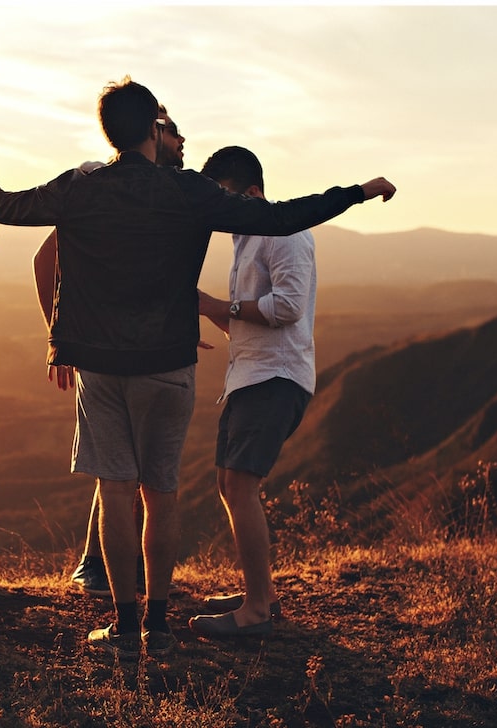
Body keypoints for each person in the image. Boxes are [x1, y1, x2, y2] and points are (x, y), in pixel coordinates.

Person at [0, 76, 395, 660]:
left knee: (116, 494)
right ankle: (159, 625)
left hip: (102, 365)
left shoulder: (82, 187)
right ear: (155, 130)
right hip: (169, 363)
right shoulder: (185, 191)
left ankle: (126, 628)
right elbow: (282, 217)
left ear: (109, 131)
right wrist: (356, 191)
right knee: (162, 495)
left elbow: (4, 206)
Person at [33, 105, 187, 599]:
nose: (183, 142)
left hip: (141, 347)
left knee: (126, 470)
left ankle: (114, 577)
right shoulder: (99, 185)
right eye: (173, 131)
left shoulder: (162, 193)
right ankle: (99, 569)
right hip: (105, 350)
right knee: (120, 471)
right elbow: (45, 258)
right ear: (151, 133)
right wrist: (60, 338)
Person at [188, 146, 319, 638]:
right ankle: (257, 591)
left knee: (240, 485)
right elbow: (244, 320)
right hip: (249, 375)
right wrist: (205, 308)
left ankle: (258, 610)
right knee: (229, 484)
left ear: (253, 192)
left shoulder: (282, 232)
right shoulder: (245, 238)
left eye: (223, 196)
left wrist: (221, 304)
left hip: (276, 378)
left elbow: (286, 307)